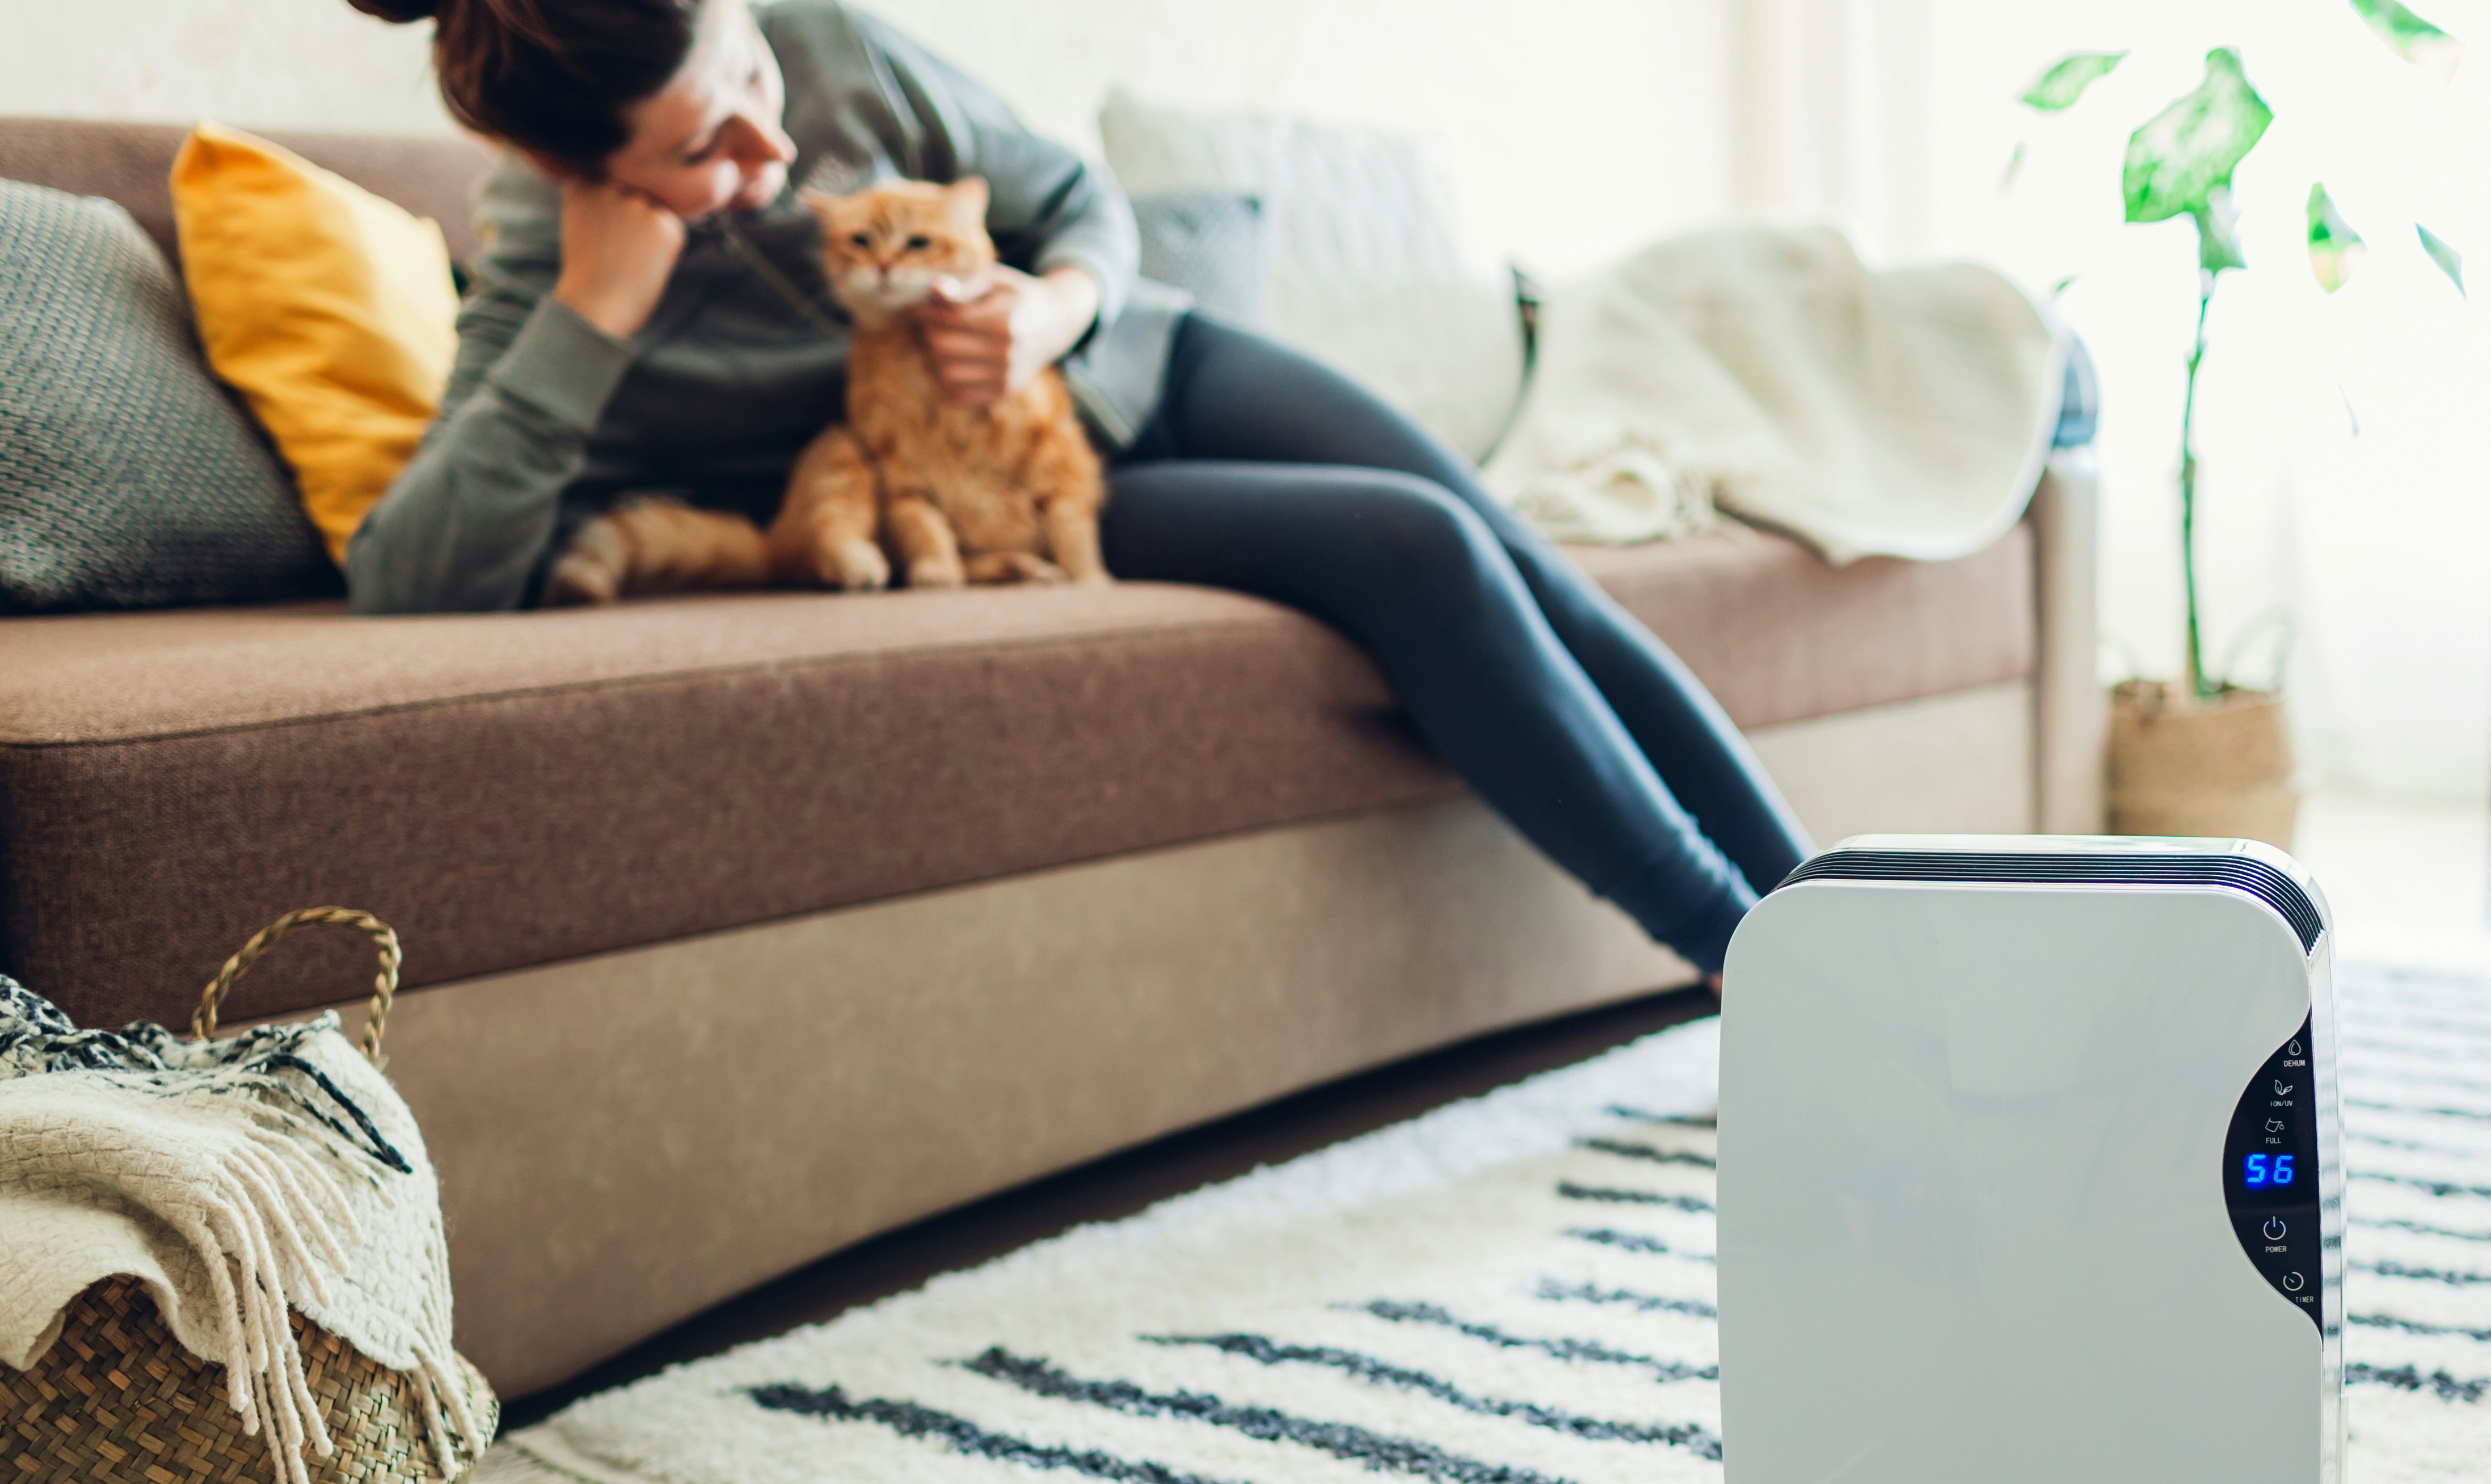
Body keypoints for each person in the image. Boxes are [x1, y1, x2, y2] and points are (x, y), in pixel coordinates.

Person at [345, 0, 1805, 980]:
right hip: (1026, 502)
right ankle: (1749, 972)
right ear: (578, 174)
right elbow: (410, 581)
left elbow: (1072, 200)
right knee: (1417, 546)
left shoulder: (825, 39)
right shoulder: (555, 261)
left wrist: (1052, 308)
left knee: (1523, 554)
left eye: (749, 80)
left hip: (1148, 365)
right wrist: (590, 319)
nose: (770, 148)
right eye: (702, 150)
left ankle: (1842, 932)